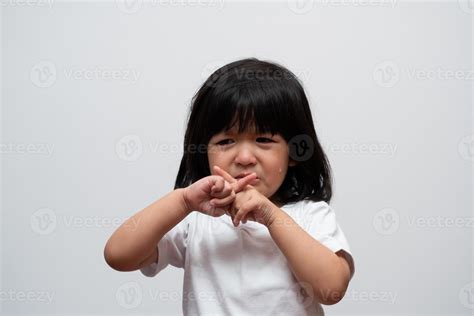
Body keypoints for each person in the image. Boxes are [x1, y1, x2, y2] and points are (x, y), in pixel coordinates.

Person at [104, 57, 355, 315]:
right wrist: (183, 201)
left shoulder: (309, 215)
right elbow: (118, 255)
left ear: (292, 153)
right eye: (225, 142)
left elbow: (331, 289)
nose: (244, 157)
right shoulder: (195, 220)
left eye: (263, 139)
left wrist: (270, 215)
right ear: (204, 152)